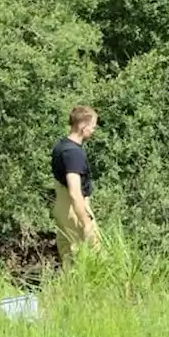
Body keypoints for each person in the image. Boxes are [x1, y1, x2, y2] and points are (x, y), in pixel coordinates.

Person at [51, 105, 100, 265]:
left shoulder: (60, 146)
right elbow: (74, 191)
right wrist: (86, 222)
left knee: (68, 259)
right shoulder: (73, 153)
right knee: (93, 259)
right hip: (75, 208)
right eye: (92, 126)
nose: (93, 130)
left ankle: (68, 289)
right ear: (83, 125)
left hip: (61, 207)